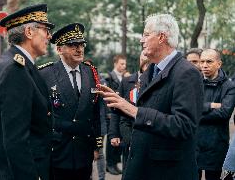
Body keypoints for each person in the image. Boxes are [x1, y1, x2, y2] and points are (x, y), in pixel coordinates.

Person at [97, 13, 204, 180]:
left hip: (166, 171)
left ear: (161, 37)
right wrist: (119, 104)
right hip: (142, 165)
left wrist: (133, 110)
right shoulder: (151, 70)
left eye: (146, 34)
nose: (141, 40)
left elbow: (184, 126)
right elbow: (147, 110)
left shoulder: (187, 73)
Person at [0, 4, 54, 180]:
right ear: (29, 32)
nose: (49, 36)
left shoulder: (13, 63)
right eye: (45, 30)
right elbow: (16, 140)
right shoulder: (15, 69)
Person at [39, 23, 102, 180]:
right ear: (59, 49)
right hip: (57, 152)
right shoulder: (45, 74)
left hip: (84, 152)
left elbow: (95, 112)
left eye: (81, 45)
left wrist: (96, 146)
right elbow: (38, 117)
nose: (79, 49)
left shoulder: (91, 72)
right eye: (72, 45)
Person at [197, 48, 235, 180]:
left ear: (219, 64)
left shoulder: (229, 86)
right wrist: (210, 106)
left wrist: (198, 111)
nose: (204, 65)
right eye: (202, 61)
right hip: (194, 144)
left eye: (209, 61)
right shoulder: (194, 83)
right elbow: (187, 108)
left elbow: (224, 113)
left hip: (216, 145)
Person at [109, 52, 149, 171]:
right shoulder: (127, 82)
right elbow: (117, 110)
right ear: (140, 61)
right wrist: (114, 134)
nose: (146, 62)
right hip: (129, 134)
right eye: (144, 59)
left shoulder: (158, 81)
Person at [105, 54, 127, 175]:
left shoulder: (124, 77)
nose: (124, 66)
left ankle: (114, 163)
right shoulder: (109, 78)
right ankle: (110, 164)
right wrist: (108, 112)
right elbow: (106, 97)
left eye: (125, 64)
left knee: (118, 138)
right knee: (111, 140)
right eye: (121, 64)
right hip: (110, 113)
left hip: (119, 112)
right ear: (115, 64)